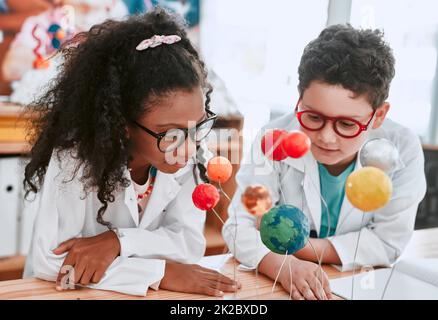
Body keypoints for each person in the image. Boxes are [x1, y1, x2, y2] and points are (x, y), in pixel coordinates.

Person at [23, 7, 240, 297]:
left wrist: (118, 242)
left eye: (198, 126)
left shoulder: (183, 157)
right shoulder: (75, 158)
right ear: (124, 124)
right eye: (171, 133)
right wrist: (160, 272)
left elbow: (188, 244)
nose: (189, 148)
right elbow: (50, 262)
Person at [222, 24, 426, 300]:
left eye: (346, 124)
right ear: (300, 100)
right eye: (314, 117)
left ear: (378, 116)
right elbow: (237, 226)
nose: (327, 138)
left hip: (356, 282)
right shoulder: (274, 140)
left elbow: (388, 243)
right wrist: (281, 265)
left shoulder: (402, 148)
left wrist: (297, 247)